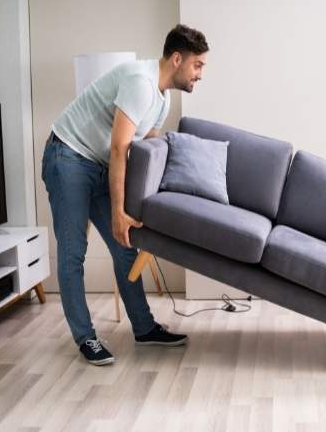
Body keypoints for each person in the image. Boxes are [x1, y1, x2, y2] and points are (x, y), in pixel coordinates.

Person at [42, 24, 209, 365]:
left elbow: (145, 157)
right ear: (177, 59)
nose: (200, 74)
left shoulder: (162, 99)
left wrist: (153, 208)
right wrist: (119, 210)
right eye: (197, 65)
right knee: (73, 253)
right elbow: (120, 149)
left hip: (99, 164)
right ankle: (85, 338)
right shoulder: (140, 82)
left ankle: (144, 328)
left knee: (126, 245)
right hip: (69, 157)